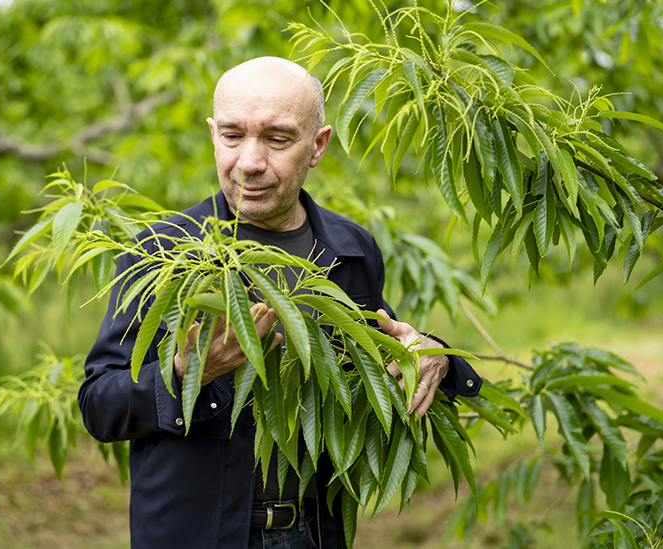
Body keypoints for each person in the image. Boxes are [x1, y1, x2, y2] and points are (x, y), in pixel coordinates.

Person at [79, 56, 482, 549]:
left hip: (314, 534)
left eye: (276, 138)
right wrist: (187, 372)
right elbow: (100, 405)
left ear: (317, 145)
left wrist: (432, 353)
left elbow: (383, 348)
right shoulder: (161, 252)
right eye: (232, 136)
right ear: (212, 135)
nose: (249, 161)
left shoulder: (351, 250)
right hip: (195, 535)